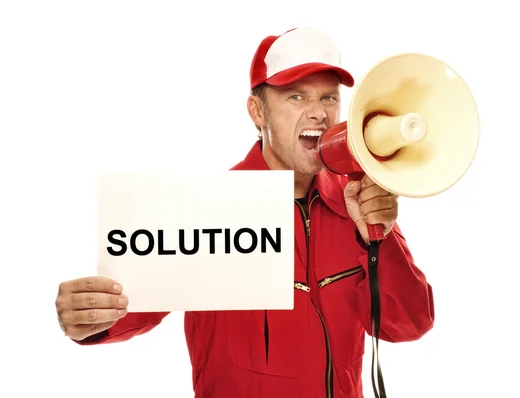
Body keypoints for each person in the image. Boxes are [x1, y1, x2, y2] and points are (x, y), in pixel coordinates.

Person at [55, 27, 435, 398]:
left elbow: (409, 324)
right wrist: (86, 317)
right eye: (296, 98)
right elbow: (129, 309)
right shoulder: (211, 207)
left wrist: (376, 236)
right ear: (257, 111)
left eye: (329, 98)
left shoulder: (356, 201)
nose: (319, 113)